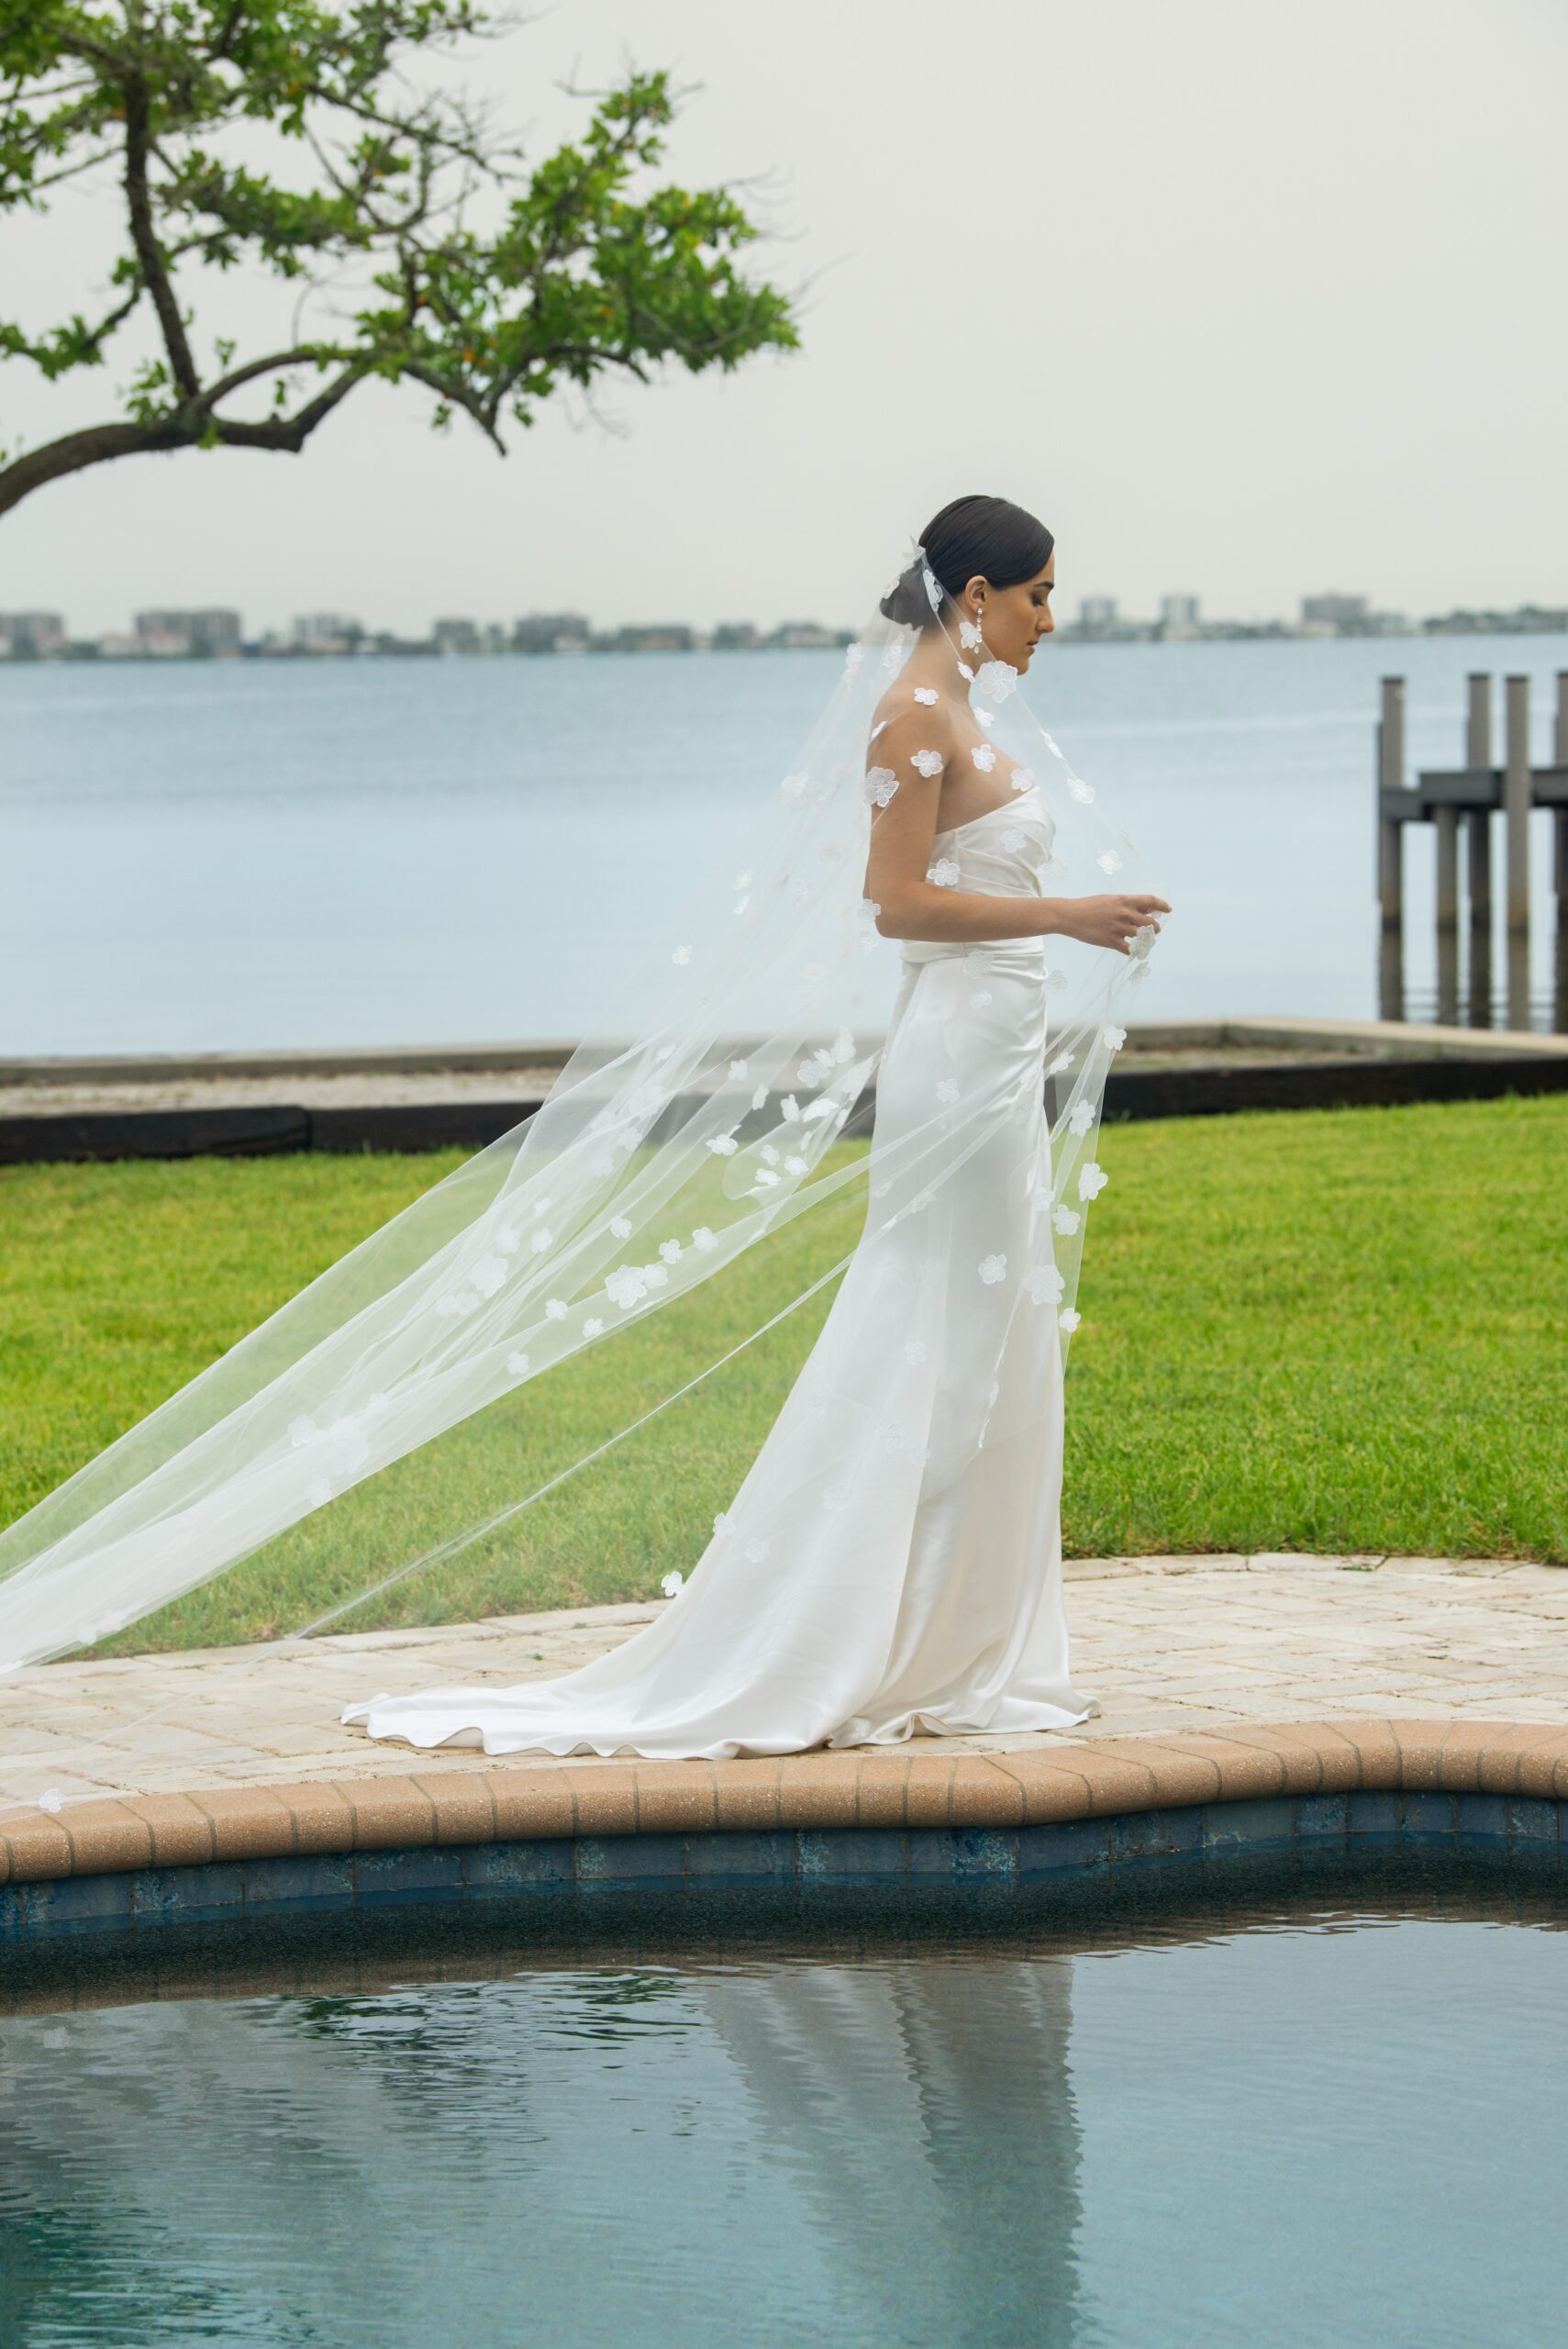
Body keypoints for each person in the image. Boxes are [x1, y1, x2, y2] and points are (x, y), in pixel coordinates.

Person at [342, 495, 1170, 1759]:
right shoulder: (912, 713)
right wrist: (1062, 916)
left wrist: (1067, 925)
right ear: (975, 596)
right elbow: (892, 902)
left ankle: (957, 1641)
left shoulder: (958, 710)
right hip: (952, 1050)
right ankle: (838, 1636)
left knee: (995, 1327)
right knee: (928, 1325)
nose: (1048, 618)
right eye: (1038, 593)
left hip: (996, 1049)